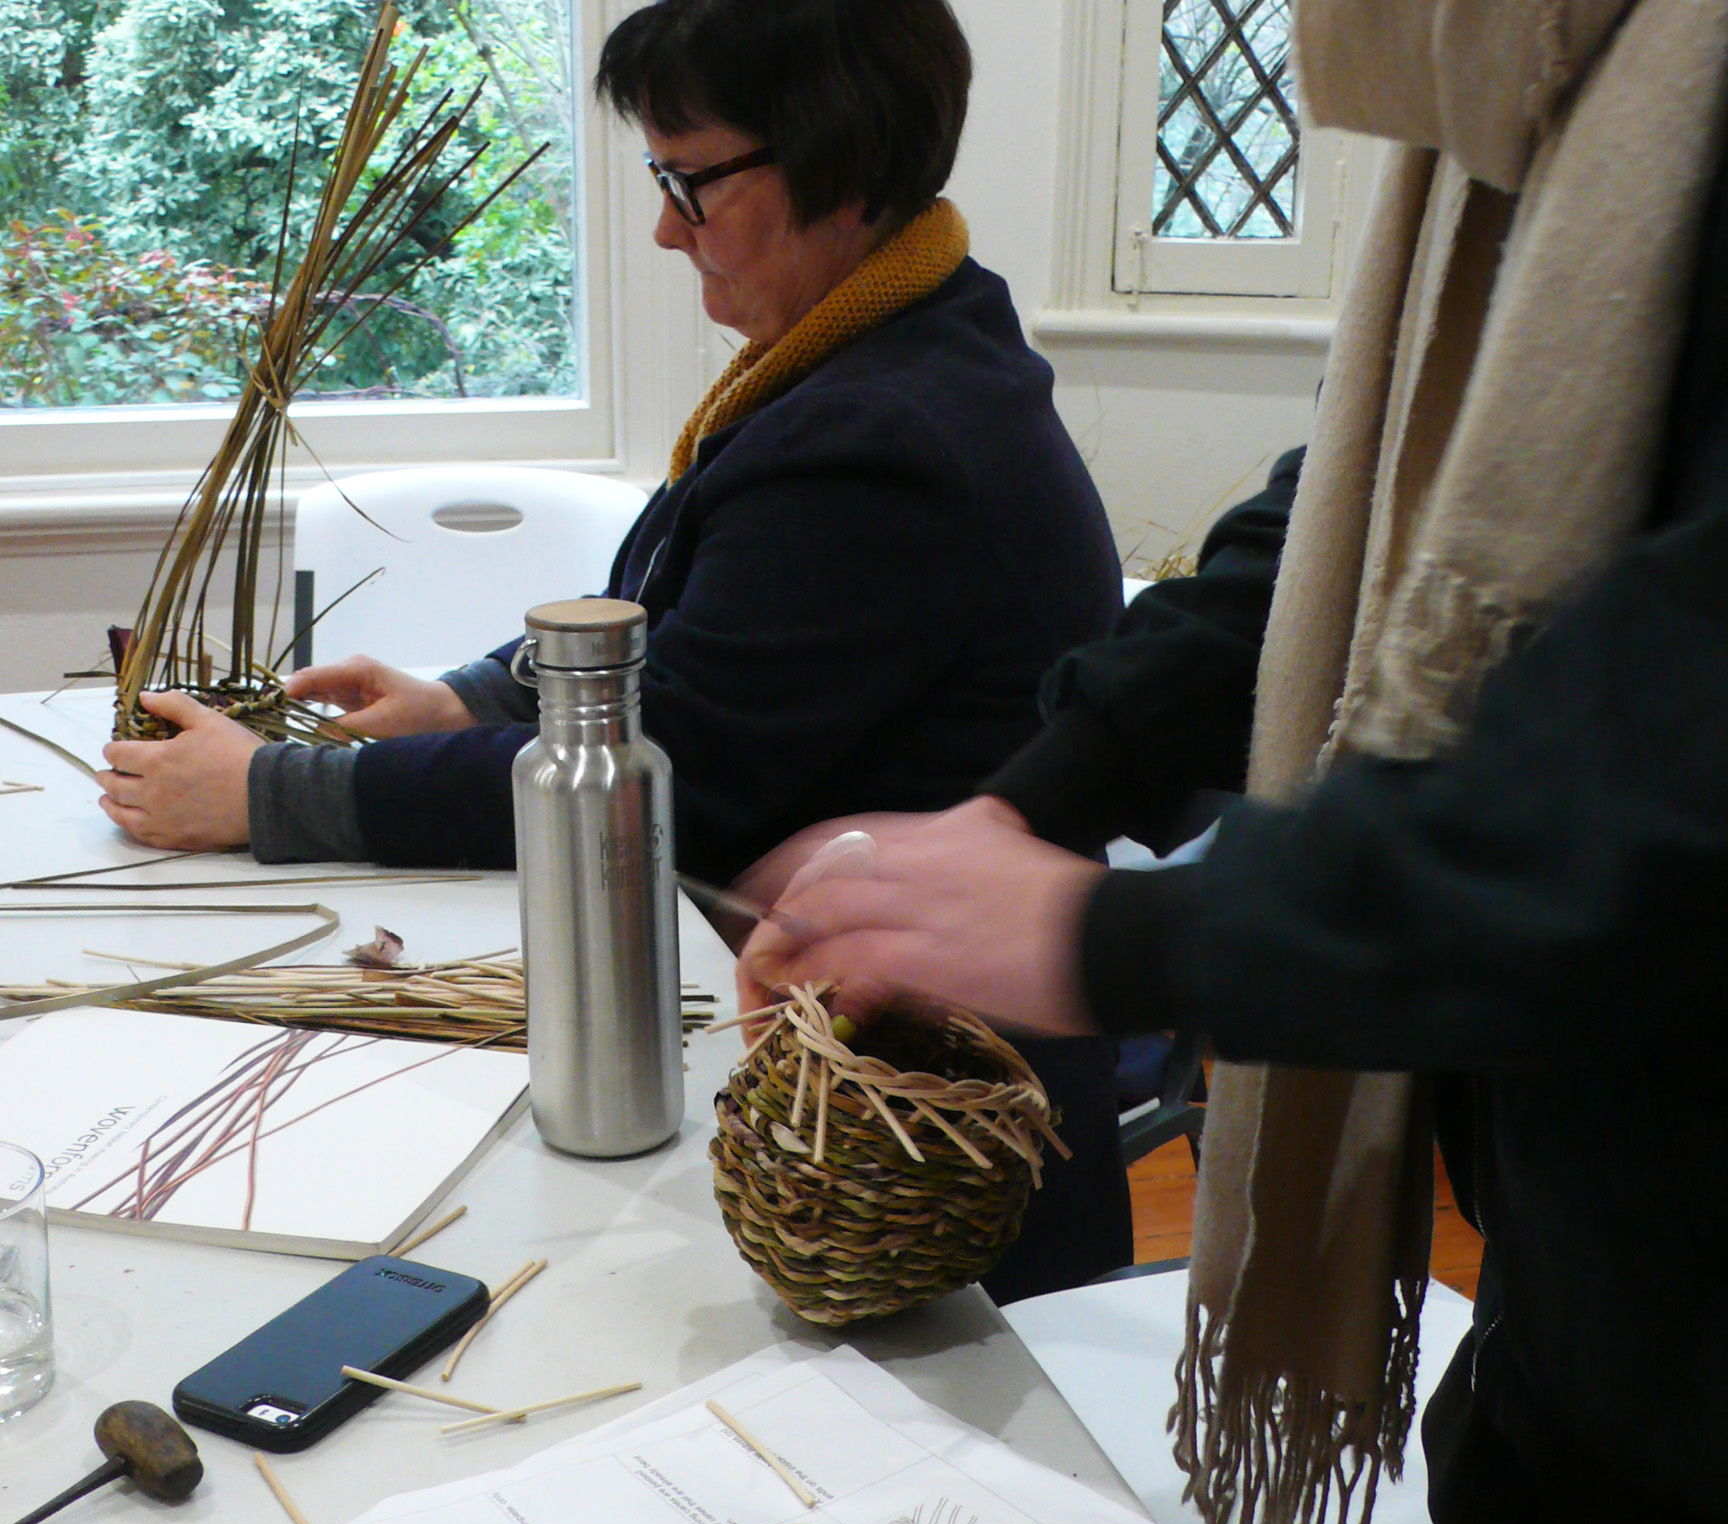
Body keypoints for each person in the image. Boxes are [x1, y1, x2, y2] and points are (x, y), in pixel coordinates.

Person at [742, 0, 1728, 1524]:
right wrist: (1034, 801)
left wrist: (1118, 933)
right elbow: (1346, 530)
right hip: (1589, 1372)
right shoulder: (1565, 119)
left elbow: (1657, 794)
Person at [96, 0, 1134, 1300]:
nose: (663, 228)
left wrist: (269, 793)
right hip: (838, 1092)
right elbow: (665, 626)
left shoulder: (887, 443)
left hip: (912, 1170)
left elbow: (656, 774)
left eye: (691, 182)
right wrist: (463, 699)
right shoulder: (871, 356)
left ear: (842, 167)